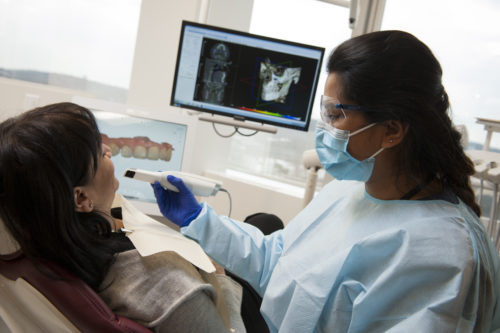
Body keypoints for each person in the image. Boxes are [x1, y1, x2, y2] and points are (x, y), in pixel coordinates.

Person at [152, 30, 500, 332]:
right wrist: (199, 220)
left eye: (337, 114)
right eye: (326, 111)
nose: (325, 129)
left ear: (392, 130)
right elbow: (278, 260)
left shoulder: (442, 260)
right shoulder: (350, 190)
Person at [0, 102, 245, 332]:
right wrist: (221, 278)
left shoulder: (44, 240)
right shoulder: (170, 287)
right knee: (266, 223)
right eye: (97, 151)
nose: (107, 148)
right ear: (81, 199)